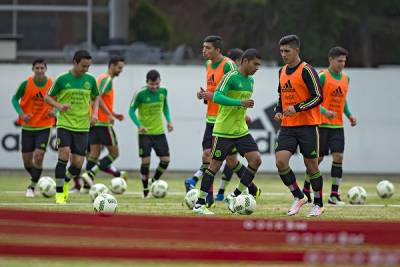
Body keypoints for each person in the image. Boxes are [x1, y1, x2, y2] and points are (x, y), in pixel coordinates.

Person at [193, 48, 262, 215]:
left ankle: (234, 195)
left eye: (259, 65)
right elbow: (216, 97)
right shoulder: (230, 77)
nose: (257, 68)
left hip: (241, 131)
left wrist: (243, 110)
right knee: (214, 165)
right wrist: (240, 102)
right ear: (245, 61)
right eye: (255, 64)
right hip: (223, 131)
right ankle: (199, 204)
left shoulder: (250, 81)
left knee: (256, 160)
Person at [184, 36, 252, 207]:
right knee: (217, 158)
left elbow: (236, 89)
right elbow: (213, 91)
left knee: (221, 159)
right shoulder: (208, 65)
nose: (203, 50)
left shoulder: (229, 65)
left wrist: (242, 113)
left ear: (217, 50)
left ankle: (208, 198)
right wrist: (203, 95)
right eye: (203, 47)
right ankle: (212, 197)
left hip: (225, 120)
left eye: (207, 48)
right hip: (211, 118)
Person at [274, 34, 325, 217]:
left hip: (307, 126)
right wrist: (278, 110)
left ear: (297, 50)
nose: (283, 54)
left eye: (287, 51)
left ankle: (318, 203)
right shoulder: (281, 71)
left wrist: (296, 108)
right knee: (280, 162)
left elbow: (318, 97)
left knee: (311, 166)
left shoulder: (307, 70)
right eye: (281, 51)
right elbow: (281, 96)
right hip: (287, 126)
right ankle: (298, 196)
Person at [302, 46, 357, 205]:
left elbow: (343, 100)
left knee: (338, 157)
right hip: (321, 125)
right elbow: (311, 98)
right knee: (316, 160)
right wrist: (325, 112)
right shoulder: (322, 76)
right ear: (330, 60)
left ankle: (334, 195)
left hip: (337, 127)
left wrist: (349, 115)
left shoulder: (346, 78)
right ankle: (306, 190)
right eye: (339, 61)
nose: (342, 64)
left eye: (344, 61)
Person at [44, 50, 99, 204]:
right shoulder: (62, 79)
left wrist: (94, 113)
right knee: (64, 154)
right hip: (65, 124)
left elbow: (96, 97)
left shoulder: (90, 80)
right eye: (83, 66)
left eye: (88, 66)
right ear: (74, 62)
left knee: (78, 163)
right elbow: (47, 97)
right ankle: (60, 194)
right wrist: (59, 106)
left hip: (82, 126)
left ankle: (64, 183)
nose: (86, 69)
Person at [75, 55, 127, 193]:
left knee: (94, 154)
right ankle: (90, 173)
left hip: (94, 121)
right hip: (102, 123)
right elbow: (97, 97)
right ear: (112, 66)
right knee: (114, 153)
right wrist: (109, 115)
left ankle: (86, 186)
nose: (121, 71)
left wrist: (113, 113)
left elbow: (99, 99)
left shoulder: (100, 78)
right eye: (119, 68)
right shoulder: (107, 79)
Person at [11, 58, 55, 197]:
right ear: (33, 69)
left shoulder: (51, 84)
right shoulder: (26, 84)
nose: (40, 71)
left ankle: (32, 187)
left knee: (39, 155)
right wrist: (21, 114)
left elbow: (61, 99)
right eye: (37, 68)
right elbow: (14, 99)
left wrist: (56, 112)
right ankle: (39, 180)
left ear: (46, 69)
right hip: (28, 128)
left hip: (44, 126)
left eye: (42, 68)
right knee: (27, 161)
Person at [129, 70, 173, 198]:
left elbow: (165, 106)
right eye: (151, 84)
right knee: (146, 160)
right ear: (147, 82)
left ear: (160, 81)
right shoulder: (140, 94)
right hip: (145, 133)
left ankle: (153, 182)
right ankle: (145, 190)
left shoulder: (163, 91)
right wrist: (139, 125)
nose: (154, 87)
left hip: (159, 132)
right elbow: (131, 111)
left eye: (156, 84)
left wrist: (169, 121)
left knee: (166, 160)